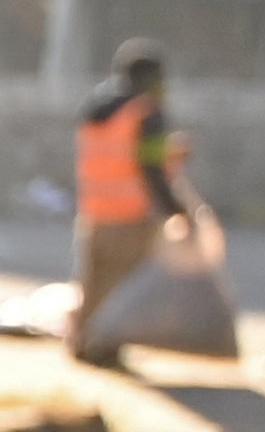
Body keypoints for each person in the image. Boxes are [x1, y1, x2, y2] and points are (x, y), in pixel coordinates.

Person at [72, 45, 196, 364]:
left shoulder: (97, 106)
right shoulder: (146, 112)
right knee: (121, 286)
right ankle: (105, 348)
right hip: (129, 213)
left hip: (94, 209)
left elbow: (116, 157)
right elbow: (149, 167)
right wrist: (176, 209)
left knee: (93, 282)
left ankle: (82, 342)